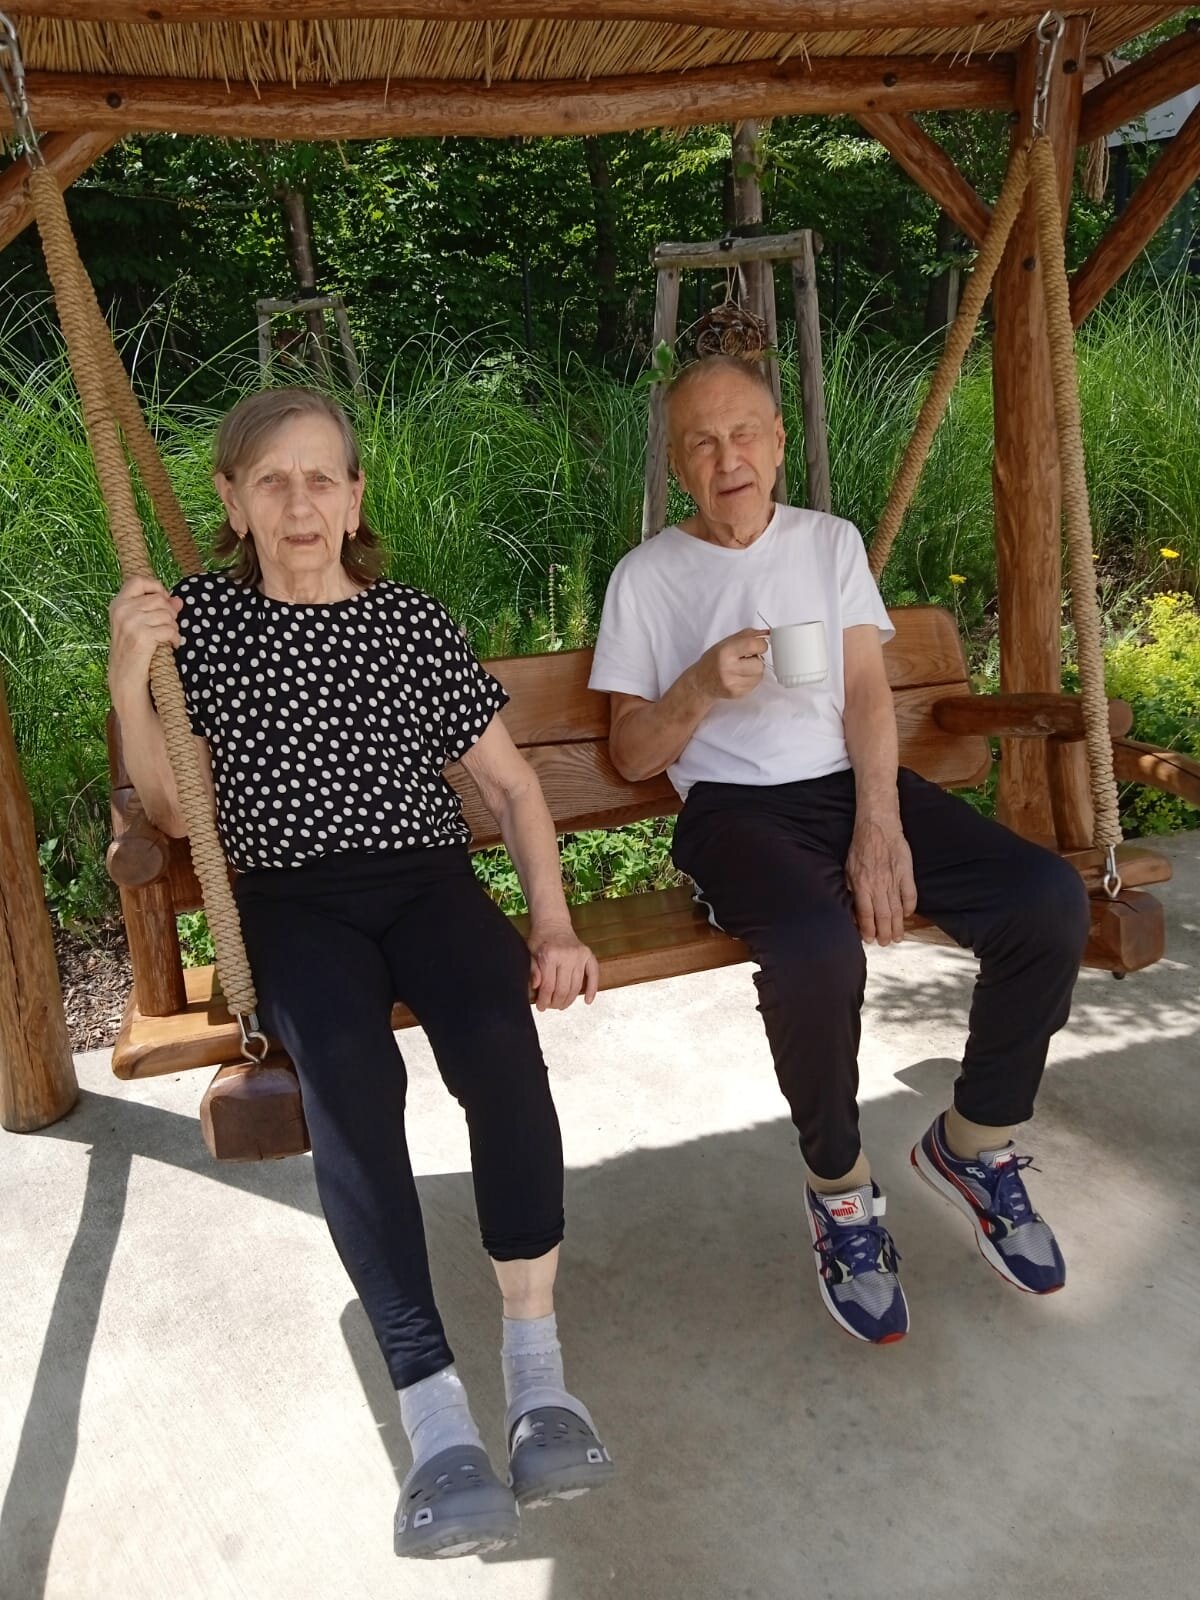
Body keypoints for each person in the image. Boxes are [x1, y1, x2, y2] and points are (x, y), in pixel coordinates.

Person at [108, 387, 614, 1558]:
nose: (300, 503)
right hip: (292, 902)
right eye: (271, 481)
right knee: (347, 1072)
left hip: (427, 884)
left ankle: (538, 1382)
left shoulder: (410, 624)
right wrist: (131, 678)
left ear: (354, 498)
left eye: (321, 478)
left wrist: (552, 924)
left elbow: (514, 788)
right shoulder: (202, 624)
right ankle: (435, 1419)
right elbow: (176, 814)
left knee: (499, 1038)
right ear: (233, 500)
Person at [589, 352, 1089, 1346]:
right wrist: (699, 685)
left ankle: (974, 1143)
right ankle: (841, 1190)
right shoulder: (646, 578)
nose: (728, 458)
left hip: (848, 784)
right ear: (679, 465)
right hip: (732, 810)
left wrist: (879, 821)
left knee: (1046, 900)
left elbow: (864, 695)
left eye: (744, 434)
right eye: (702, 443)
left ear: (778, 443)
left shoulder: (829, 543)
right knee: (819, 953)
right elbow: (632, 752)